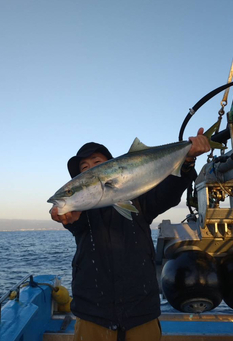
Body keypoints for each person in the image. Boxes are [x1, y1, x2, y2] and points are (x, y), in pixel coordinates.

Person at [50, 128, 210, 341]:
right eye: (84, 168)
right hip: (92, 314)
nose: (90, 168)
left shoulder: (139, 201)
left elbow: (169, 193)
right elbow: (73, 223)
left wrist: (188, 161)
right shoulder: (81, 215)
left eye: (97, 163)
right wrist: (66, 215)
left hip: (141, 311)